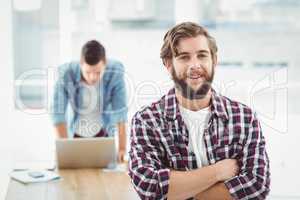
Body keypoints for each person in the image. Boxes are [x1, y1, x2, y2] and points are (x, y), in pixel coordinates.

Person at [129, 22, 270, 199]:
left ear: (214, 60)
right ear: (168, 64)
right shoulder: (146, 121)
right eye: (184, 57)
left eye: (202, 56)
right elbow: (150, 187)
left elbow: (257, 185)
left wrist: (180, 189)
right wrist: (218, 172)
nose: (195, 65)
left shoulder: (244, 118)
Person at [51, 40, 128, 162]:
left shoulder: (115, 72)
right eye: (88, 72)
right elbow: (57, 113)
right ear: (80, 64)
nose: (93, 77)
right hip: (75, 133)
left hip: (103, 133)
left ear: (105, 64)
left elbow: (120, 113)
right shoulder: (66, 73)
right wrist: (65, 149)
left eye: (98, 72)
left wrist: (122, 149)